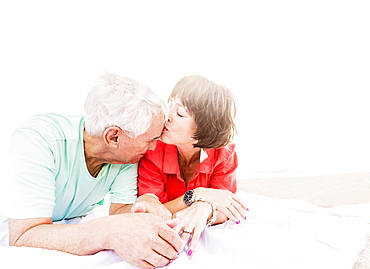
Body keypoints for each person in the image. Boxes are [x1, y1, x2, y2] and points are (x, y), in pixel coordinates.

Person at [1, 73, 184, 269]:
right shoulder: (38, 140)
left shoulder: (125, 156)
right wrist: (109, 232)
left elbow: (118, 212)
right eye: (150, 140)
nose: (154, 148)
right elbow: (22, 236)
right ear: (113, 137)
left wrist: (145, 201)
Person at [138, 75, 248, 256]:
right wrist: (197, 196)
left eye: (179, 113)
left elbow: (226, 207)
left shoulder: (224, 154)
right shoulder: (152, 151)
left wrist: (204, 207)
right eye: (170, 103)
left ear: (203, 130)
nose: (167, 114)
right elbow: (155, 209)